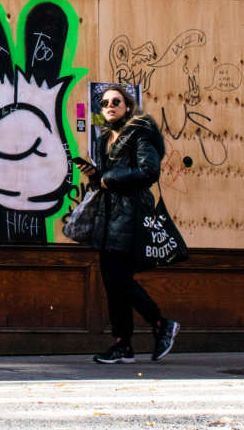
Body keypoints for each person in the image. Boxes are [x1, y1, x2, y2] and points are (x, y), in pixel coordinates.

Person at [75, 85, 179, 364]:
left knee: (118, 278)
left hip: (131, 215)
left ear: (128, 107)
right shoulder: (106, 139)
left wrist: (112, 179)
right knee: (112, 281)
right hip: (110, 216)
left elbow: (149, 171)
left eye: (116, 101)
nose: (109, 106)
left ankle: (159, 324)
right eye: (105, 102)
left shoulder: (140, 133)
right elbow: (107, 180)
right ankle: (124, 344)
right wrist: (95, 175)